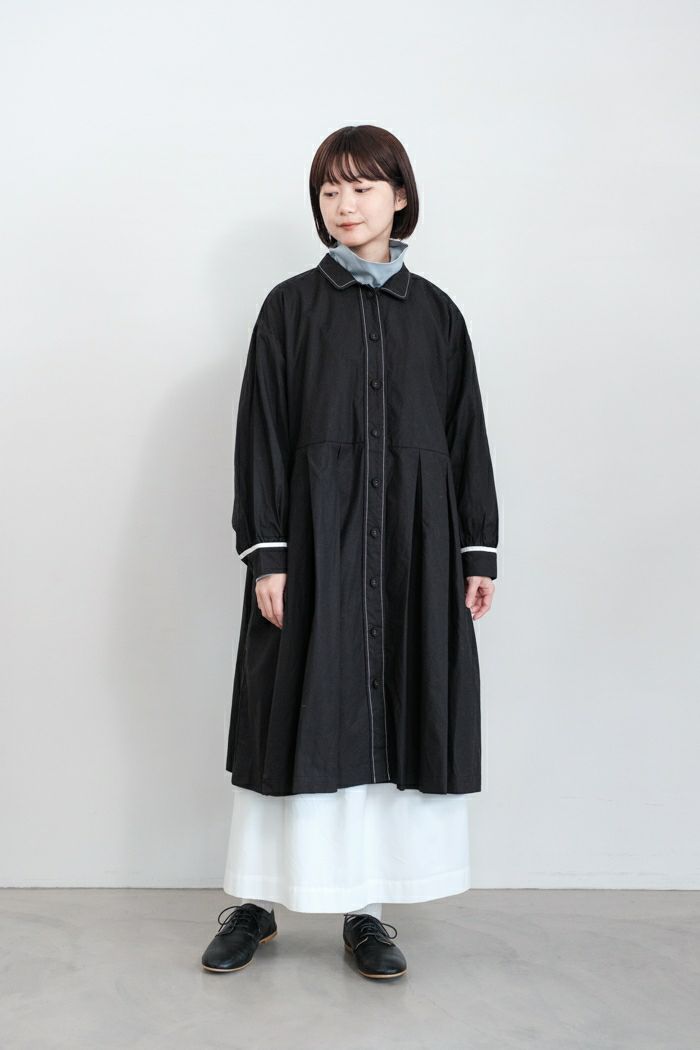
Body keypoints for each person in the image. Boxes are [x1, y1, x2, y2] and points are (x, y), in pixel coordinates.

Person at [201, 124, 499, 981]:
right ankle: (256, 905)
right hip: (314, 550)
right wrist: (268, 554)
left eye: (362, 187)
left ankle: (366, 912)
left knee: (392, 714)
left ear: (400, 196)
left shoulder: (437, 315)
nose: (344, 203)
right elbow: (261, 435)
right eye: (330, 190)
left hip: (412, 549)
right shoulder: (290, 308)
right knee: (291, 714)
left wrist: (476, 550)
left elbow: (465, 437)